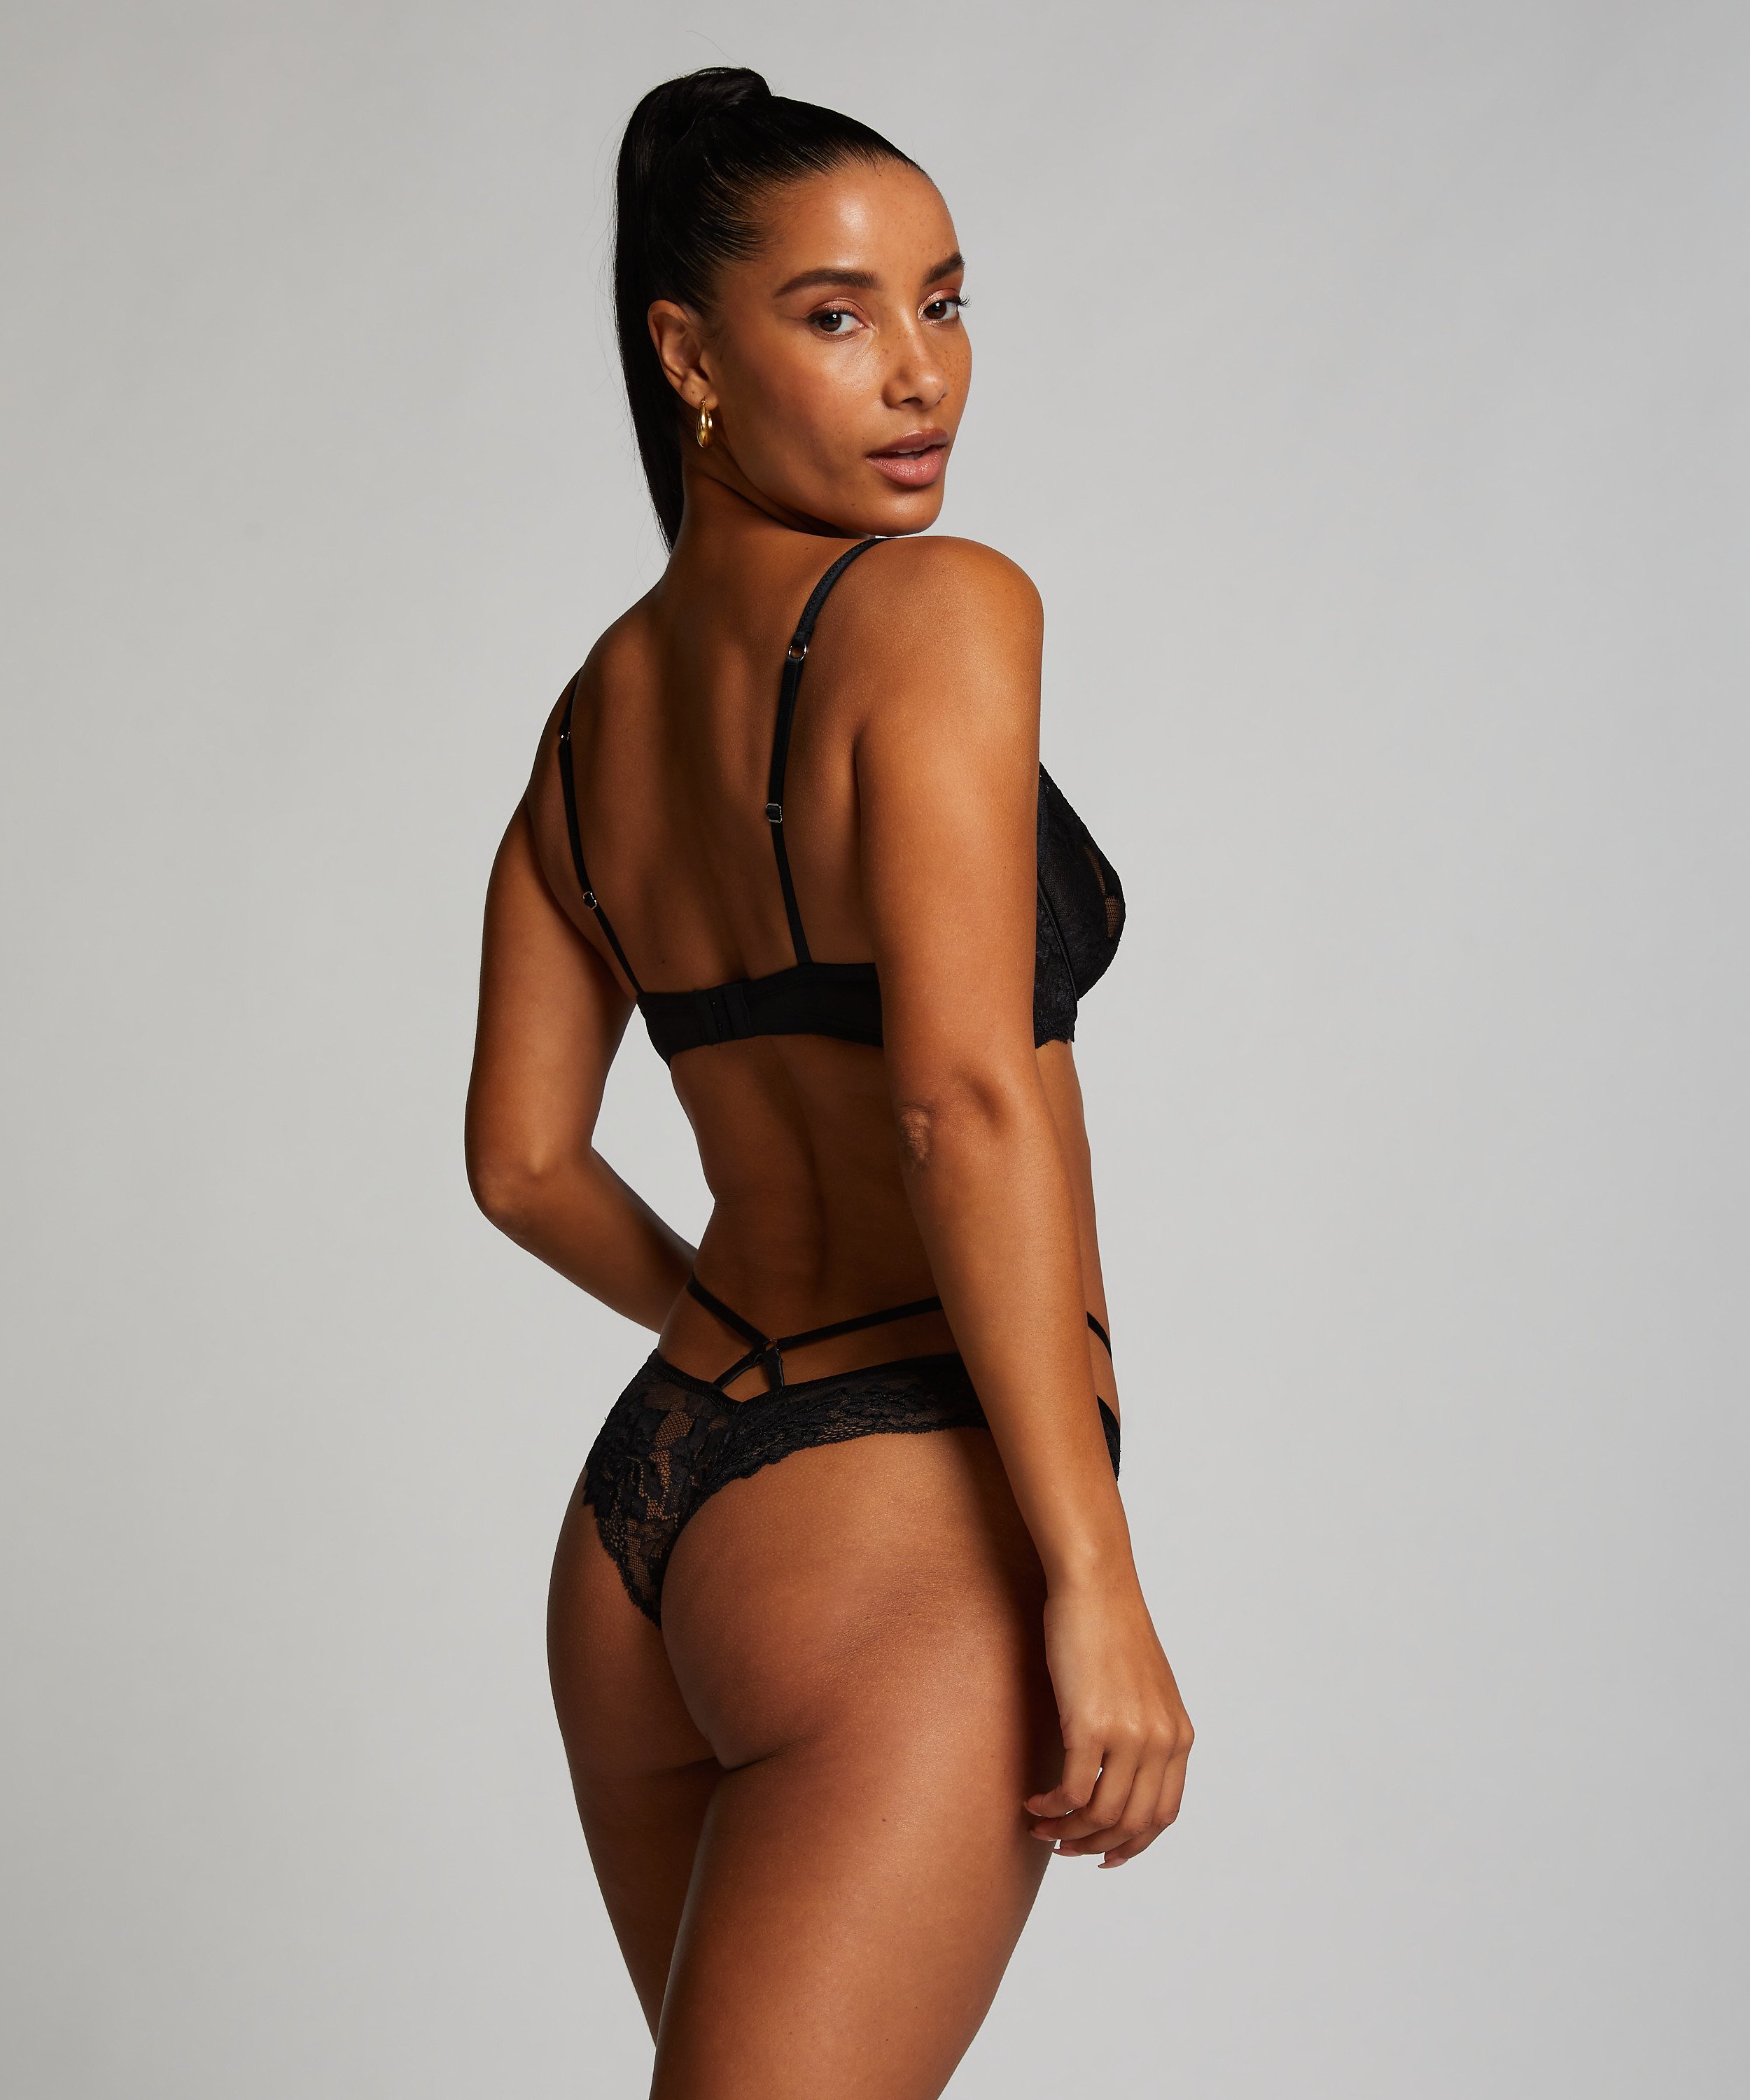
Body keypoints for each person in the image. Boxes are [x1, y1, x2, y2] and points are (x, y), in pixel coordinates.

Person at [465, 66, 1192, 2099]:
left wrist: (741, 1341)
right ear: (688, 354)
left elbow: (521, 1163)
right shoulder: (942, 612)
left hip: (653, 1523)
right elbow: (958, 1100)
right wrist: (1094, 1580)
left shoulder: (589, 721)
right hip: (893, 1529)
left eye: (943, 303)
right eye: (837, 314)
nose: (918, 373)